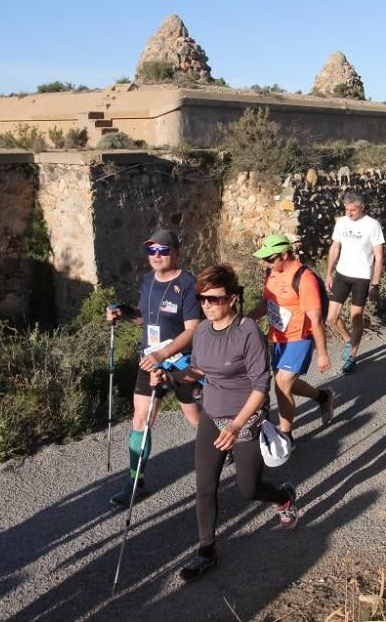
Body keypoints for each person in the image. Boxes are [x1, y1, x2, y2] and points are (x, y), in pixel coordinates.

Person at [153, 264, 298, 582]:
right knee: (205, 489)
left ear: (232, 299)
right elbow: (200, 371)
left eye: (214, 299)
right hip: (211, 417)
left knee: (248, 489)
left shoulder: (248, 332)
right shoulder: (203, 331)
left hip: (246, 420)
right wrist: (170, 377)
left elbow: (261, 387)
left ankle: (282, 497)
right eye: (202, 299)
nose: (206, 305)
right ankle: (207, 552)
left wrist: (235, 426)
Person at [105, 229, 202, 506]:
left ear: (176, 252)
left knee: (196, 419)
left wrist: (164, 353)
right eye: (152, 251)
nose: (156, 256)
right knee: (141, 420)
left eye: (163, 250)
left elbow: (193, 330)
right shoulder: (147, 280)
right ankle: (135, 482)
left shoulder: (187, 284)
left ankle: (226, 444)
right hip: (150, 361)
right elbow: (145, 320)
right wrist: (123, 313)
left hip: (181, 362)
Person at [248, 234, 334, 448]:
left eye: (269, 258)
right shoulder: (273, 274)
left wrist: (322, 353)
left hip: (299, 338)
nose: (265, 263)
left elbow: (316, 320)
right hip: (277, 338)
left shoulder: (305, 279)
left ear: (284, 254)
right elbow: (264, 305)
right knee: (288, 384)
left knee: (282, 383)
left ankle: (286, 435)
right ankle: (323, 397)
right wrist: (243, 319)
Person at [325, 191, 385, 374]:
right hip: (342, 274)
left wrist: (375, 284)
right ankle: (347, 339)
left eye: (352, 210)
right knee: (331, 317)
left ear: (362, 208)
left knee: (356, 318)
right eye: (346, 209)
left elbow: (379, 256)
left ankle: (352, 355)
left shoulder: (372, 225)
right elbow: (335, 247)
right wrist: (329, 273)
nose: (349, 213)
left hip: (362, 277)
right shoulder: (342, 222)